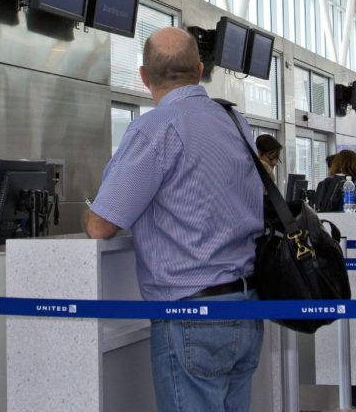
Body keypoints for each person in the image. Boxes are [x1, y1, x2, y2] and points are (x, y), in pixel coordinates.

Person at [84, 28, 263, 412]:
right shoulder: (236, 123)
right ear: (199, 71)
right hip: (246, 305)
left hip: (190, 316)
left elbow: (100, 226)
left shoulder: (154, 129)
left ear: (144, 76)